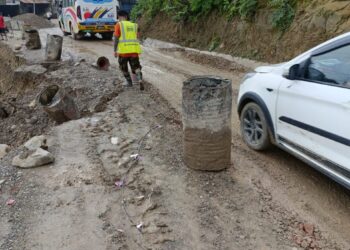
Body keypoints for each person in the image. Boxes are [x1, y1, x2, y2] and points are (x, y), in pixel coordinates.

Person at [114, 10, 144, 90]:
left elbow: (116, 39)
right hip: (134, 51)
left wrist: (115, 50)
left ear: (123, 16)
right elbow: (137, 37)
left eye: (119, 17)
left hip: (123, 52)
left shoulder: (119, 25)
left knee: (123, 67)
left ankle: (129, 82)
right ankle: (140, 79)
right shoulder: (135, 25)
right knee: (136, 67)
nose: (118, 19)